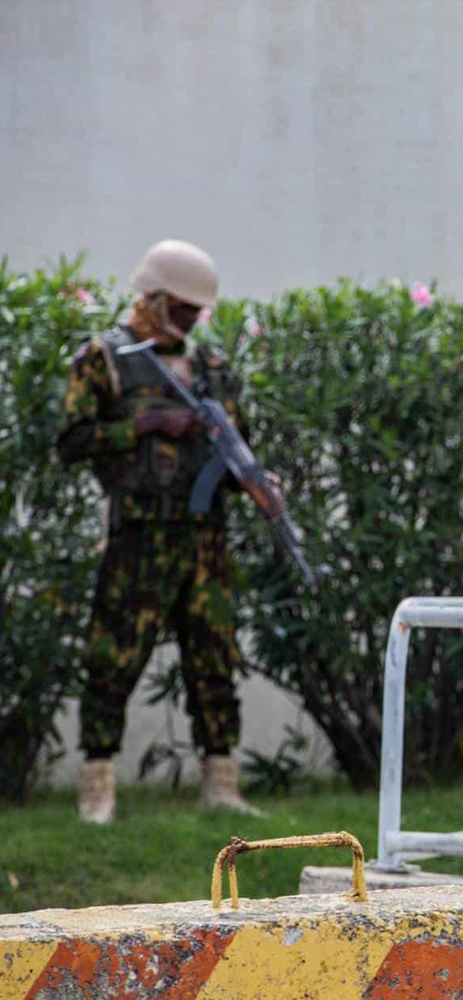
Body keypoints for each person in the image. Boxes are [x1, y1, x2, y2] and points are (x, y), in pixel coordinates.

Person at [58, 239, 261, 823]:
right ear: (152, 300)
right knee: (113, 659)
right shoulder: (106, 360)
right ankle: (97, 788)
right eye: (183, 309)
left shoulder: (213, 369)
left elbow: (239, 448)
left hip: (205, 540)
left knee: (214, 659)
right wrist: (146, 425)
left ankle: (222, 785)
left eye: (200, 312)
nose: (194, 320)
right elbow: (71, 441)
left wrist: (252, 479)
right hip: (139, 539)